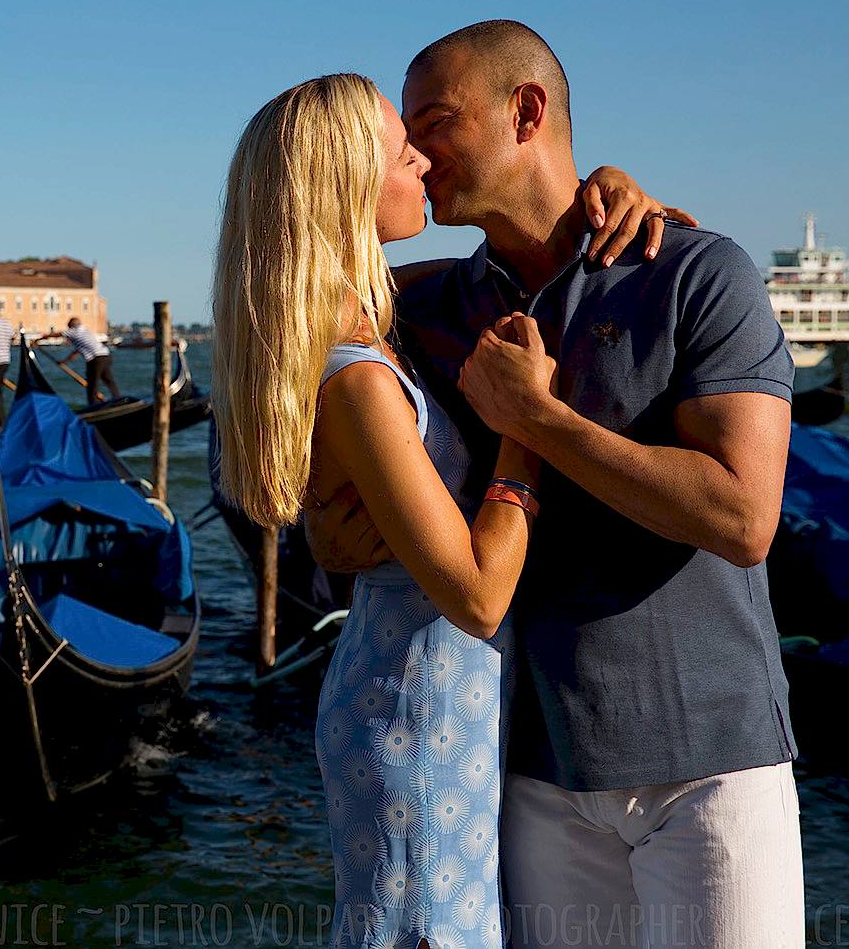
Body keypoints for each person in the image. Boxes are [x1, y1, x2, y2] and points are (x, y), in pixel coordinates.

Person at [312, 22, 800, 947]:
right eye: (405, 132)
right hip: (529, 771)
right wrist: (310, 520)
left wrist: (537, 423)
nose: (413, 151)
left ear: (526, 112)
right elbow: (290, 329)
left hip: (709, 763)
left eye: (437, 120)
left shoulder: (694, 274)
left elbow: (744, 517)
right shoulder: (428, 305)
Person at [211, 72, 687, 949]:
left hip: (429, 707)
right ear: (347, 187)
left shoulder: (367, 320)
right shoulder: (355, 372)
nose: (424, 161)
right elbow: (476, 595)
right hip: (418, 716)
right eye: (403, 152)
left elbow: (500, 267)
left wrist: (606, 196)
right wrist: (523, 425)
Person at [59, 316, 120, 404]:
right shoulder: (84, 331)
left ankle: (92, 405)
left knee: (92, 383)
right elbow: (76, 352)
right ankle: (117, 398)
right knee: (108, 379)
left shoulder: (74, 331)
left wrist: (40, 338)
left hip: (96, 359)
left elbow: (58, 334)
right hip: (106, 356)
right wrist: (64, 362)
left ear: (71, 326)